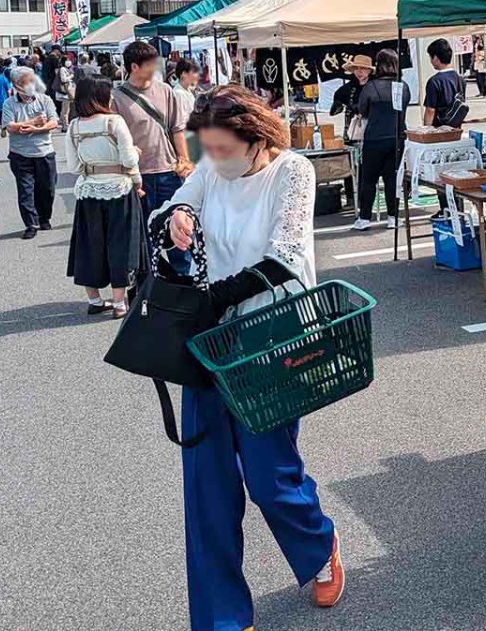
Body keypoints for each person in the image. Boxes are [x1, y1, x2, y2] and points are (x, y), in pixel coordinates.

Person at [149, 84, 344, 622]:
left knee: (270, 476)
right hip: (210, 341)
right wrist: (176, 217)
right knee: (206, 487)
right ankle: (222, 617)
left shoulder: (293, 172)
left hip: (276, 336)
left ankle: (318, 544)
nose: (213, 158)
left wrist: (214, 299)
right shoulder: (212, 168)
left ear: (255, 138)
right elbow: (170, 207)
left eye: (222, 149)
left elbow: (285, 256)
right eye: (206, 148)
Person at [66, 77, 146, 316]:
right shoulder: (114, 122)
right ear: (101, 95)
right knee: (119, 244)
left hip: (89, 190)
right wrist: (136, 155)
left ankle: (95, 300)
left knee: (90, 244)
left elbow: (73, 167)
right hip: (119, 189)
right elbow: (129, 161)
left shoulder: (74, 126)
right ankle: (120, 303)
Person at [112, 40, 193, 221]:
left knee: (178, 231)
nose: (156, 68)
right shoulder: (116, 98)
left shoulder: (165, 90)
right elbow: (114, 139)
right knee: (145, 234)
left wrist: (185, 160)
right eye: (150, 64)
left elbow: (177, 128)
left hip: (170, 171)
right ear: (134, 67)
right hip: (139, 175)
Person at [352, 49, 410, 231]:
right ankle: (393, 217)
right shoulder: (402, 86)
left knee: (369, 179)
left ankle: (364, 218)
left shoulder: (371, 86)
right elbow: (404, 107)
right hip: (397, 137)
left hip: (374, 138)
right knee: (392, 178)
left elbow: (363, 110)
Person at [1, 67, 60, 239]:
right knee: (26, 190)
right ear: (17, 85)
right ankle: (31, 224)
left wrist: (36, 128)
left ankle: (44, 217)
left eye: (32, 81)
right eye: (27, 82)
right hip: (20, 154)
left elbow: (53, 122)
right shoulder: (9, 103)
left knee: (47, 189)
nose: (31, 85)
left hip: (44, 152)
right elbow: (10, 127)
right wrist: (33, 122)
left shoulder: (44, 99)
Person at [422, 38, 466, 128]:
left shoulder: (434, 81)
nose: (430, 61)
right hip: (456, 128)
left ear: (436, 58)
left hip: (439, 130)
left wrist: (426, 130)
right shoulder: (460, 78)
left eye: (431, 57)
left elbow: (430, 110)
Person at [330, 55, 371, 141]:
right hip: (352, 129)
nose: (359, 72)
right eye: (356, 68)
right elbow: (336, 104)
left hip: (372, 127)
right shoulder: (348, 88)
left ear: (369, 70)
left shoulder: (376, 86)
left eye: (362, 68)